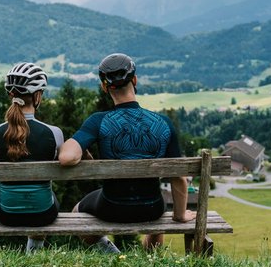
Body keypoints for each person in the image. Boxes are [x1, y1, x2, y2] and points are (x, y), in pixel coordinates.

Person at [58, 53, 194, 253]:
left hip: (111, 207)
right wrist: (180, 216)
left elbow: (67, 157)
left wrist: (83, 150)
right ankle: (150, 260)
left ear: (105, 87)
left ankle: (112, 254)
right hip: (152, 207)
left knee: (77, 210)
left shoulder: (98, 121)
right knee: (157, 213)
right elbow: (179, 176)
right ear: (135, 80)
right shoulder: (163, 123)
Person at [0, 62, 64, 253]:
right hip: (44, 214)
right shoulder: (55, 133)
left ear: (11, 94)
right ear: (37, 96)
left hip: (5, 214)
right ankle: (33, 250)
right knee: (50, 196)